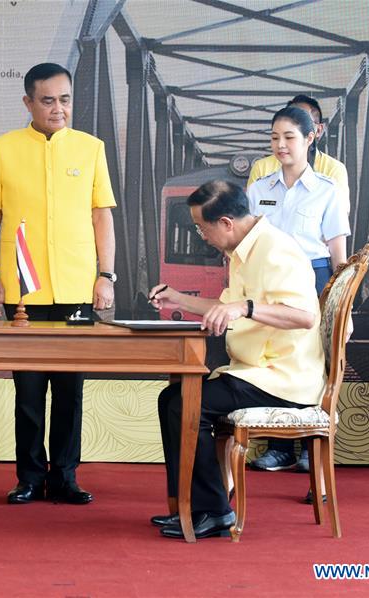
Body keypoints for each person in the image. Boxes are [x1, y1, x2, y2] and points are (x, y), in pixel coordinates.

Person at [148, 180, 325, 539]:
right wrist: (178, 299)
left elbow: (305, 316)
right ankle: (190, 506)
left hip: (282, 377)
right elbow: (224, 307)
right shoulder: (245, 252)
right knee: (172, 399)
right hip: (256, 372)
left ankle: (213, 511)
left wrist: (244, 307)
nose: (201, 235)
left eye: (202, 227)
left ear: (226, 223)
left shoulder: (275, 250)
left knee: (184, 404)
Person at [0, 63, 117, 505]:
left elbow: (101, 216)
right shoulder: (3, 148)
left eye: (66, 99)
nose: (59, 109)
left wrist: (106, 275)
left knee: (71, 389)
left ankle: (66, 476)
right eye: (48, 100)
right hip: (25, 292)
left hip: (77, 287)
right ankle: (30, 477)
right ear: (28, 103)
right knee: (29, 389)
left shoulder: (91, 148)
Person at [245, 103, 350, 475]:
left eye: (289, 137)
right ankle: (278, 448)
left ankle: (310, 445)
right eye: (274, 138)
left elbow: (338, 255)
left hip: (314, 279)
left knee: (311, 361)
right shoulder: (259, 189)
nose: (281, 145)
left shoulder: (328, 190)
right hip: (270, 283)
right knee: (275, 359)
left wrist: (340, 302)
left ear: (310, 138)